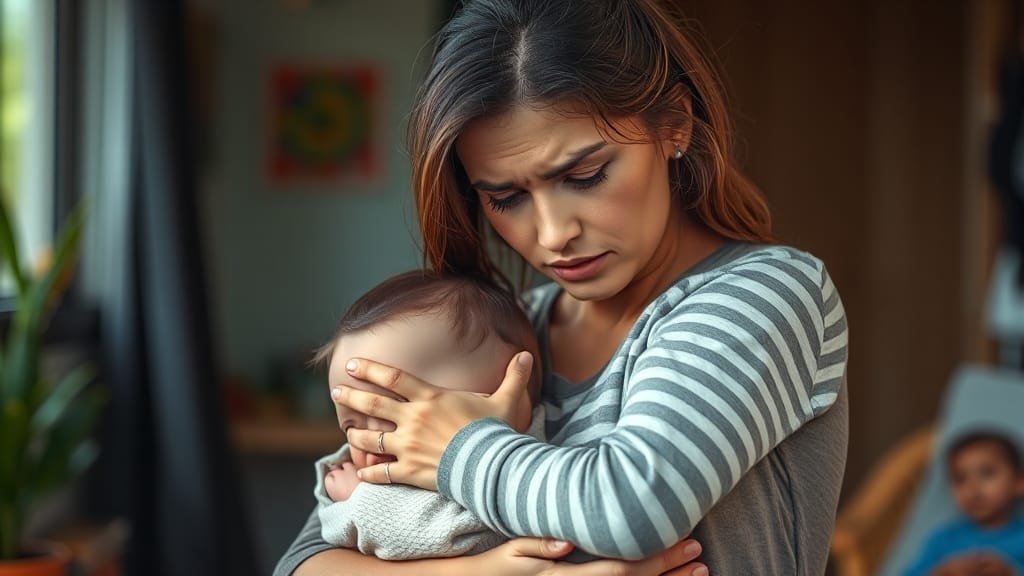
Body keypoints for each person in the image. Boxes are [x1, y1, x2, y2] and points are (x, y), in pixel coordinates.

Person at [275, 0, 849, 574]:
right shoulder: (492, 332)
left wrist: (456, 447)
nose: (553, 234)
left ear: (676, 122)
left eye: (584, 176)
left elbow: (631, 507)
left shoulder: (765, 294)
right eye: (506, 197)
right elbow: (305, 561)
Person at [309, 270, 546, 560]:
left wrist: (361, 504)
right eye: (352, 427)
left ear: (513, 391)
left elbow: (461, 535)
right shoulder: (358, 471)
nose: (375, 447)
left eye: (399, 417)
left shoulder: (527, 474)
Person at [904, 431, 1024, 576]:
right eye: (960, 479)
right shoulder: (944, 539)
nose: (973, 489)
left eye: (987, 473)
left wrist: (1011, 572)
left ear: (1019, 482)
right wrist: (942, 572)